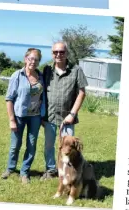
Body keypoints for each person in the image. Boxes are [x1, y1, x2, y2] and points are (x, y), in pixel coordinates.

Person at [40, 41, 88, 180]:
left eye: (62, 52)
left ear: (67, 53)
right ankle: (51, 170)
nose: (59, 54)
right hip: (50, 116)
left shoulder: (76, 70)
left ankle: (69, 171)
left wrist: (72, 114)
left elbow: (82, 92)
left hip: (68, 118)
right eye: (55, 52)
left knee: (69, 148)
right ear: (52, 54)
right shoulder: (47, 69)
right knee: (49, 146)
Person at [1, 48, 45, 184]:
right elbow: (9, 98)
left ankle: (24, 172)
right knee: (15, 145)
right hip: (19, 115)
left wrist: (44, 115)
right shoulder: (17, 75)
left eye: (36, 59)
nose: (33, 61)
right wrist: (12, 120)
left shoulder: (41, 76)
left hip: (35, 116)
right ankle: (10, 168)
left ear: (38, 62)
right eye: (31, 58)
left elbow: (43, 97)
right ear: (26, 59)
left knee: (31, 145)